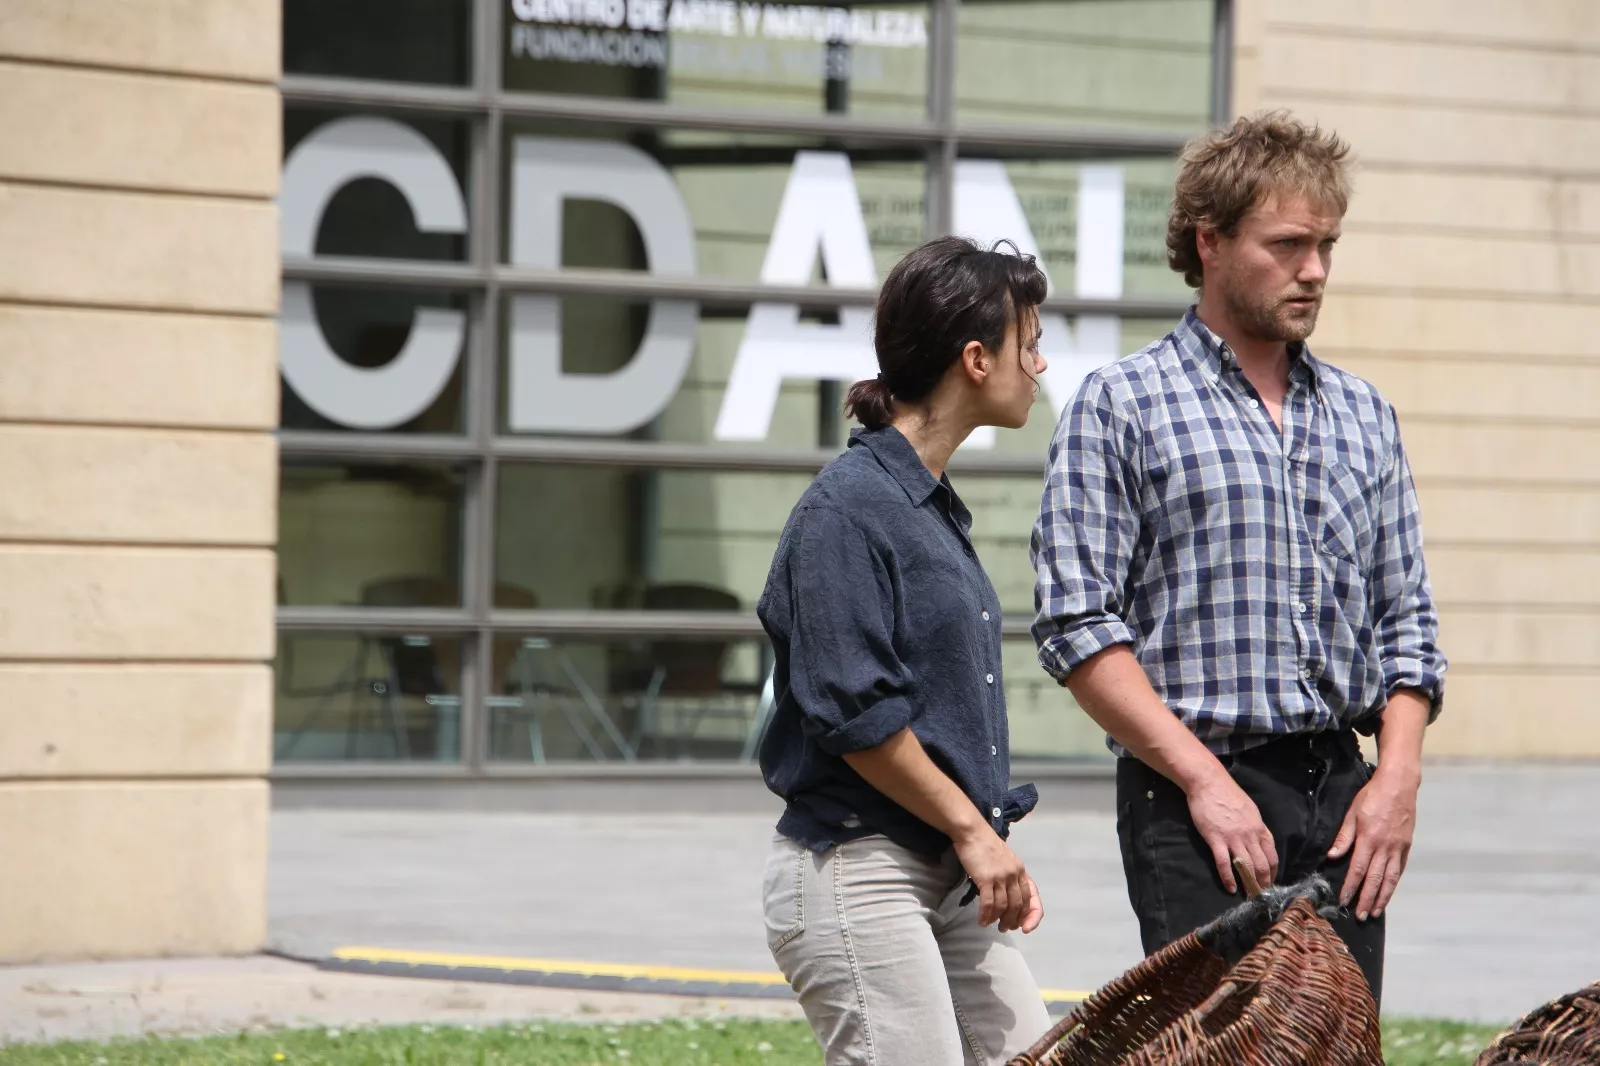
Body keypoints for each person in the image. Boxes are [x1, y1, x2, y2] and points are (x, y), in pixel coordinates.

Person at [1030, 111, 1447, 1005]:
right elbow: (1076, 626)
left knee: (1333, 1046)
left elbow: (1406, 620)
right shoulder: (1122, 405)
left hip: (1345, 796)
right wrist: (1204, 783)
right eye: (1288, 244)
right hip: (1192, 798)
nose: (1315, 271)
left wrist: (1396, 782)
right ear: (1209, 242)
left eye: (1328, 245)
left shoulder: (1363, 413)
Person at [757, 235, 1054, 1065]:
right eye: (1027, 343)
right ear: (974, 358)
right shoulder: (847, 510)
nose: (1039, 364)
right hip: (858, 869)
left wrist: (981, 838)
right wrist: (975, 830)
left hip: (945, 870)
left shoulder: (924, 506)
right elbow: (855, 713)